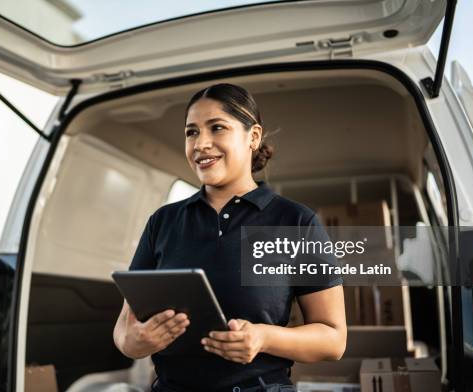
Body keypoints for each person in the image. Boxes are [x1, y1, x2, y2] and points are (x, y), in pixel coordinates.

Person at [113, 83, 346, 392]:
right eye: (191, 132)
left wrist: (264, 337)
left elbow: (333, 339)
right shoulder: (163, 221)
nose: (200, 144)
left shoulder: (296, 222)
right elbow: (124, 330)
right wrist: (136, 343)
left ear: (253, 137)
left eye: (217, 128)